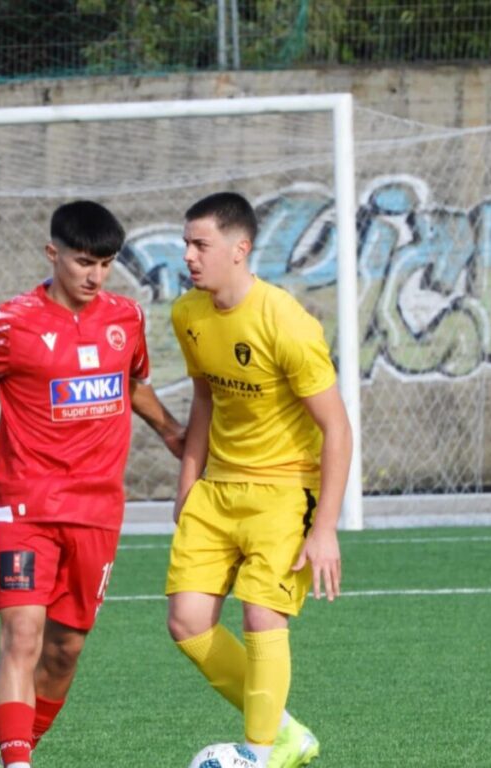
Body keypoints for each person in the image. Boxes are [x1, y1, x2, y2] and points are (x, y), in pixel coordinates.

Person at [0, 200, 185, 768]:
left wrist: (172, 432)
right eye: (83, 262)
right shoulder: (11, 321)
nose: (95, 276)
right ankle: (17, 764)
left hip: (98, 511)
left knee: (65, 650)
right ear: (53, 254)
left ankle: (20, 750)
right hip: (25, 506)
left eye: (106, 264)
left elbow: (133, 382)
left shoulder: (127, 318)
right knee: (22, 635)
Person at [166, 192, 352, 768]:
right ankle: (284, 732)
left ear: (239, 249)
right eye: (186, 244)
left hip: (285, 491)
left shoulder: (286, 322)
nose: (189, 256)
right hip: (217, 489)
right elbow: (204, 399)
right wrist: (188, 479)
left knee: (261, 615)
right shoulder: (188, 314)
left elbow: (337, 428)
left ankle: (258, 753)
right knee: (187, 623)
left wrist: (325, 529)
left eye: (201, 244)